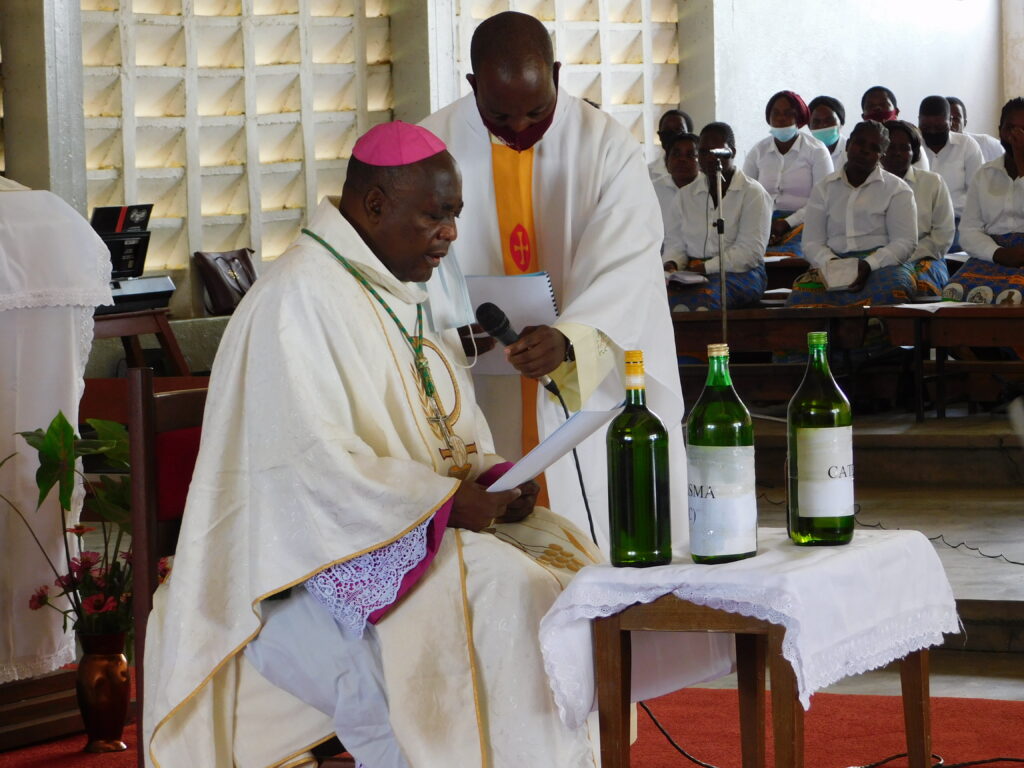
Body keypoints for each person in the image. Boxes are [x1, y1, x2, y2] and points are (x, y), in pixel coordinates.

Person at [141, 122, 613, 768]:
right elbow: (310, 473)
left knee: (574, 561)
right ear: (374, 206)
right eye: (435, 216)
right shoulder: (296, 300)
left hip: (394, 525)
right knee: (507, 588)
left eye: (455, 215)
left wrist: (500, 479)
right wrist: (447, 505)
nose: (450, 233)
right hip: (305, 559)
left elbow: (442, 427)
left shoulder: (399, 290)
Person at [419, 11, 694, 554]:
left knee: (589, 518)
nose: (520, 127)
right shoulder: (432, 144)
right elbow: (410, 262)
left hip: (578, 373)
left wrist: (572, 336)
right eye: (500, 113)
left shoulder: (606, 145)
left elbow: (630, 261)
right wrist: (449, 330)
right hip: (479, 373)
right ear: (472, 84)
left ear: (559, 74)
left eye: (537, 110)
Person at [787, 120, 918, 307]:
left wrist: (868, 264)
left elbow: (905, 242)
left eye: (874, 148)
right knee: (800, 297)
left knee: (893, 290)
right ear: (848, 145)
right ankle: (825, 336)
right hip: (833, 261)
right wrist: (832, 263)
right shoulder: (824, 188)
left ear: (881, 155)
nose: (864, 151)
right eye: (859, 143)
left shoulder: (897, 190)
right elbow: (811, 243)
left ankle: (872, 333)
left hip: (881, 264)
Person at [664, 122, 771, 310]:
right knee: (659, 297)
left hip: (742, 274)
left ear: (733, 152)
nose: (709, 158)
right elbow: (676, 245)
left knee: (702, 298)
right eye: (703, 152)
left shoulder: (753, 193)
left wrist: (704, 269)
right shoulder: (684, 196)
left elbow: (750, 253)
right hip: (690, 273)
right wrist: (672, 265)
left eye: (717, 151)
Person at [949, 97, 1024, 306]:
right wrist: (998, 253)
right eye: (1010, 127)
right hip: (995, 254)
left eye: (1023, 129)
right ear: (1000, 130)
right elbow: (969, 231)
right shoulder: (985, 174)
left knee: (1012, 297)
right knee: (954, 293)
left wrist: (1022, 164)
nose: (1016, 135)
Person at [742, 89, 833, 258]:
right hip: (762, 223)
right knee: (747, 255)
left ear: (798, 118)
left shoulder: (817, 151)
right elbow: (746, 194)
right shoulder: (758, 151)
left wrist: (787, 222)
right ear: (769, 118)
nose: (781, 118)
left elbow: (823, 199)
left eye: (788, 113)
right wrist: (762, 223)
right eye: (775, 113)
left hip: (803, 224)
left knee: (792, 256)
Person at [881, 119, 956, 295]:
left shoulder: (932, 183)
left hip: (924, 257)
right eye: (890, 147)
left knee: (916, 286)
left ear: (914, 152)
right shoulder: (869, 186)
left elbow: (942, 237)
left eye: (905, 147)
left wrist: (901, 256)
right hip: (878, 259)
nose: (897, 153)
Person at [918, 95, 984, 239]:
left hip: (958, 222)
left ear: (950, 121)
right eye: (927, 127)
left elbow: (978, 193)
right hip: (918, 222)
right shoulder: (912, 147)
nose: (933, 132)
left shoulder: (967, 145)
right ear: (919, 122)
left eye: (939, 127)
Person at [655, 131, 700, 263]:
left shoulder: (711, 190)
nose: (682, 159)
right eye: (676, 154)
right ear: (666, 161)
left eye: (690, 155)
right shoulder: (651, 191)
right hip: (659, 261)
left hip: (701, 263)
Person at [861, 85, 929, 171]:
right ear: (863, 117)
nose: (877, 109)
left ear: (896, 112)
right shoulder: (857, 145)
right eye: (870, 106)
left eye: (884, 104)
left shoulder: (911, 145)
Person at [948, 96, 1005, 163]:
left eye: (956, 119)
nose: (951, 123)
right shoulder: (935, 151)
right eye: (948, 119)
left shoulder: (985, 144)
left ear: (965, 122)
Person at [649, 108, 694, 182]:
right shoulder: (647, 174)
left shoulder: (703, 173)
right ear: (660, 136)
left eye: (679, 130)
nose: (672, 136)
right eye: (667, 132)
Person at [808, 95, 847, 168]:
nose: (823, 125)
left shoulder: (851, 153)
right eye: (816, 122)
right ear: (809, 126)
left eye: (829, 120)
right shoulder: (805, 152)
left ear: (841, 122)